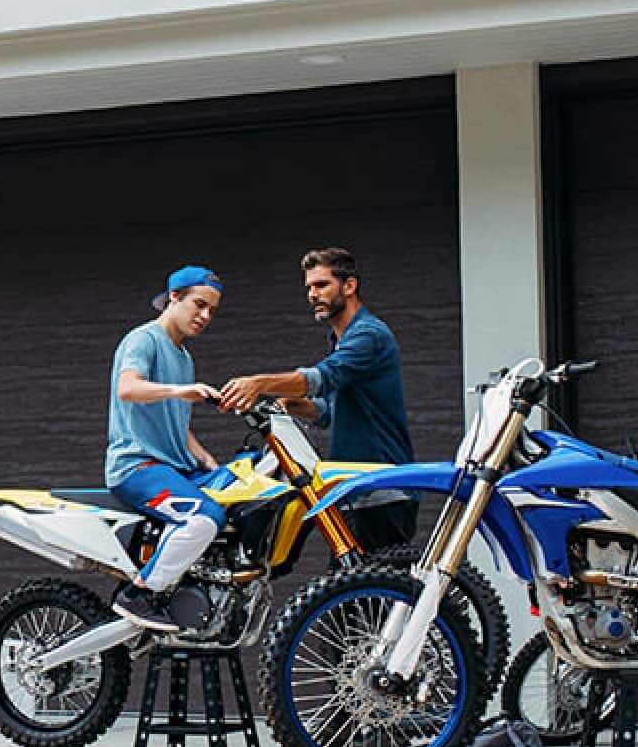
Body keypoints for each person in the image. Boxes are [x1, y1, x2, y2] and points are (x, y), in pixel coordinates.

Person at [215, 247, 416, 550]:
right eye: (309, 287)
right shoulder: (342, 339)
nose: (312, 294)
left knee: (370, 588)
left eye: (321, 285)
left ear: (349, 286)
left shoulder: (368, 335)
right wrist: (292, 405)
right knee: (352, 590)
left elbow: (321, 378)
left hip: (380, 489)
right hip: (355, 487)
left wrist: (260, 384)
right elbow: (331, 412)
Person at [103, 266, 244, 634]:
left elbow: (175, 422)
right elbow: (128, 389)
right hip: (138, 467)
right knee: (203, 517)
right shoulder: (143, 340)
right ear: (174, 297)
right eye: (199, 305)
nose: (205, 316)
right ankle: (140, 593)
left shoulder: (183, 357)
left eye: (212, 310)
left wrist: (206, 458)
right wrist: (182, 390)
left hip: (176, 466)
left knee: (243, 477)